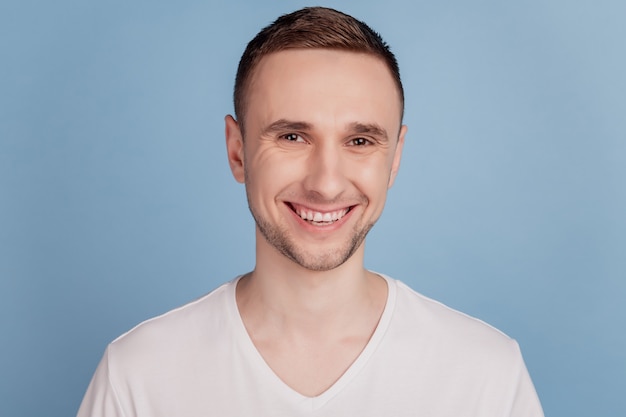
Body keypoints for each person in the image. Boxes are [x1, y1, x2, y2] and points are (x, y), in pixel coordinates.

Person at [77, 7, 544, 417]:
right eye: (292, 137)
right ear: (237, 151)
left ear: (395, 159)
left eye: (359, 141)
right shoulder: (138, 376)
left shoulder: (486, 375)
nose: (325, 182)